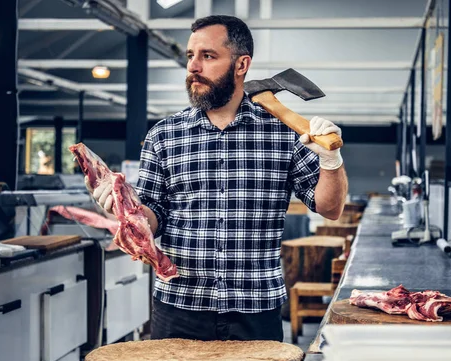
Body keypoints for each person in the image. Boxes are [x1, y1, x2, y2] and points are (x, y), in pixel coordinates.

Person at [89, 15, 348, 342]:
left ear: (242, 65)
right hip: (179, 307)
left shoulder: (284, 134)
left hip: (257, 308)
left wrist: (331, 160)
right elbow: (153, 217)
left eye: (207, 56)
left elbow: (330, 207)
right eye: (190, 56)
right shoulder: (163, 136)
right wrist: (124, 209)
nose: (193, 67)